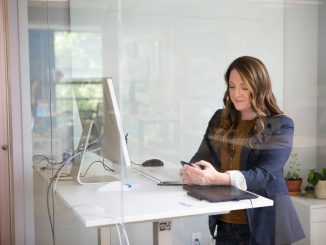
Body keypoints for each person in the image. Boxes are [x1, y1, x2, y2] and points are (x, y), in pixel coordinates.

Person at [181, 56, 305, 245]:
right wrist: (192, 171)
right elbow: (202, 158)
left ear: (260, 87)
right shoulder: (219, 118)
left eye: (244, 87)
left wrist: (217, 178)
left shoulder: (281, 124)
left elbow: (267, 175)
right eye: (232, 86)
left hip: (266, 226)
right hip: (226, 223)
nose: (236, 93)